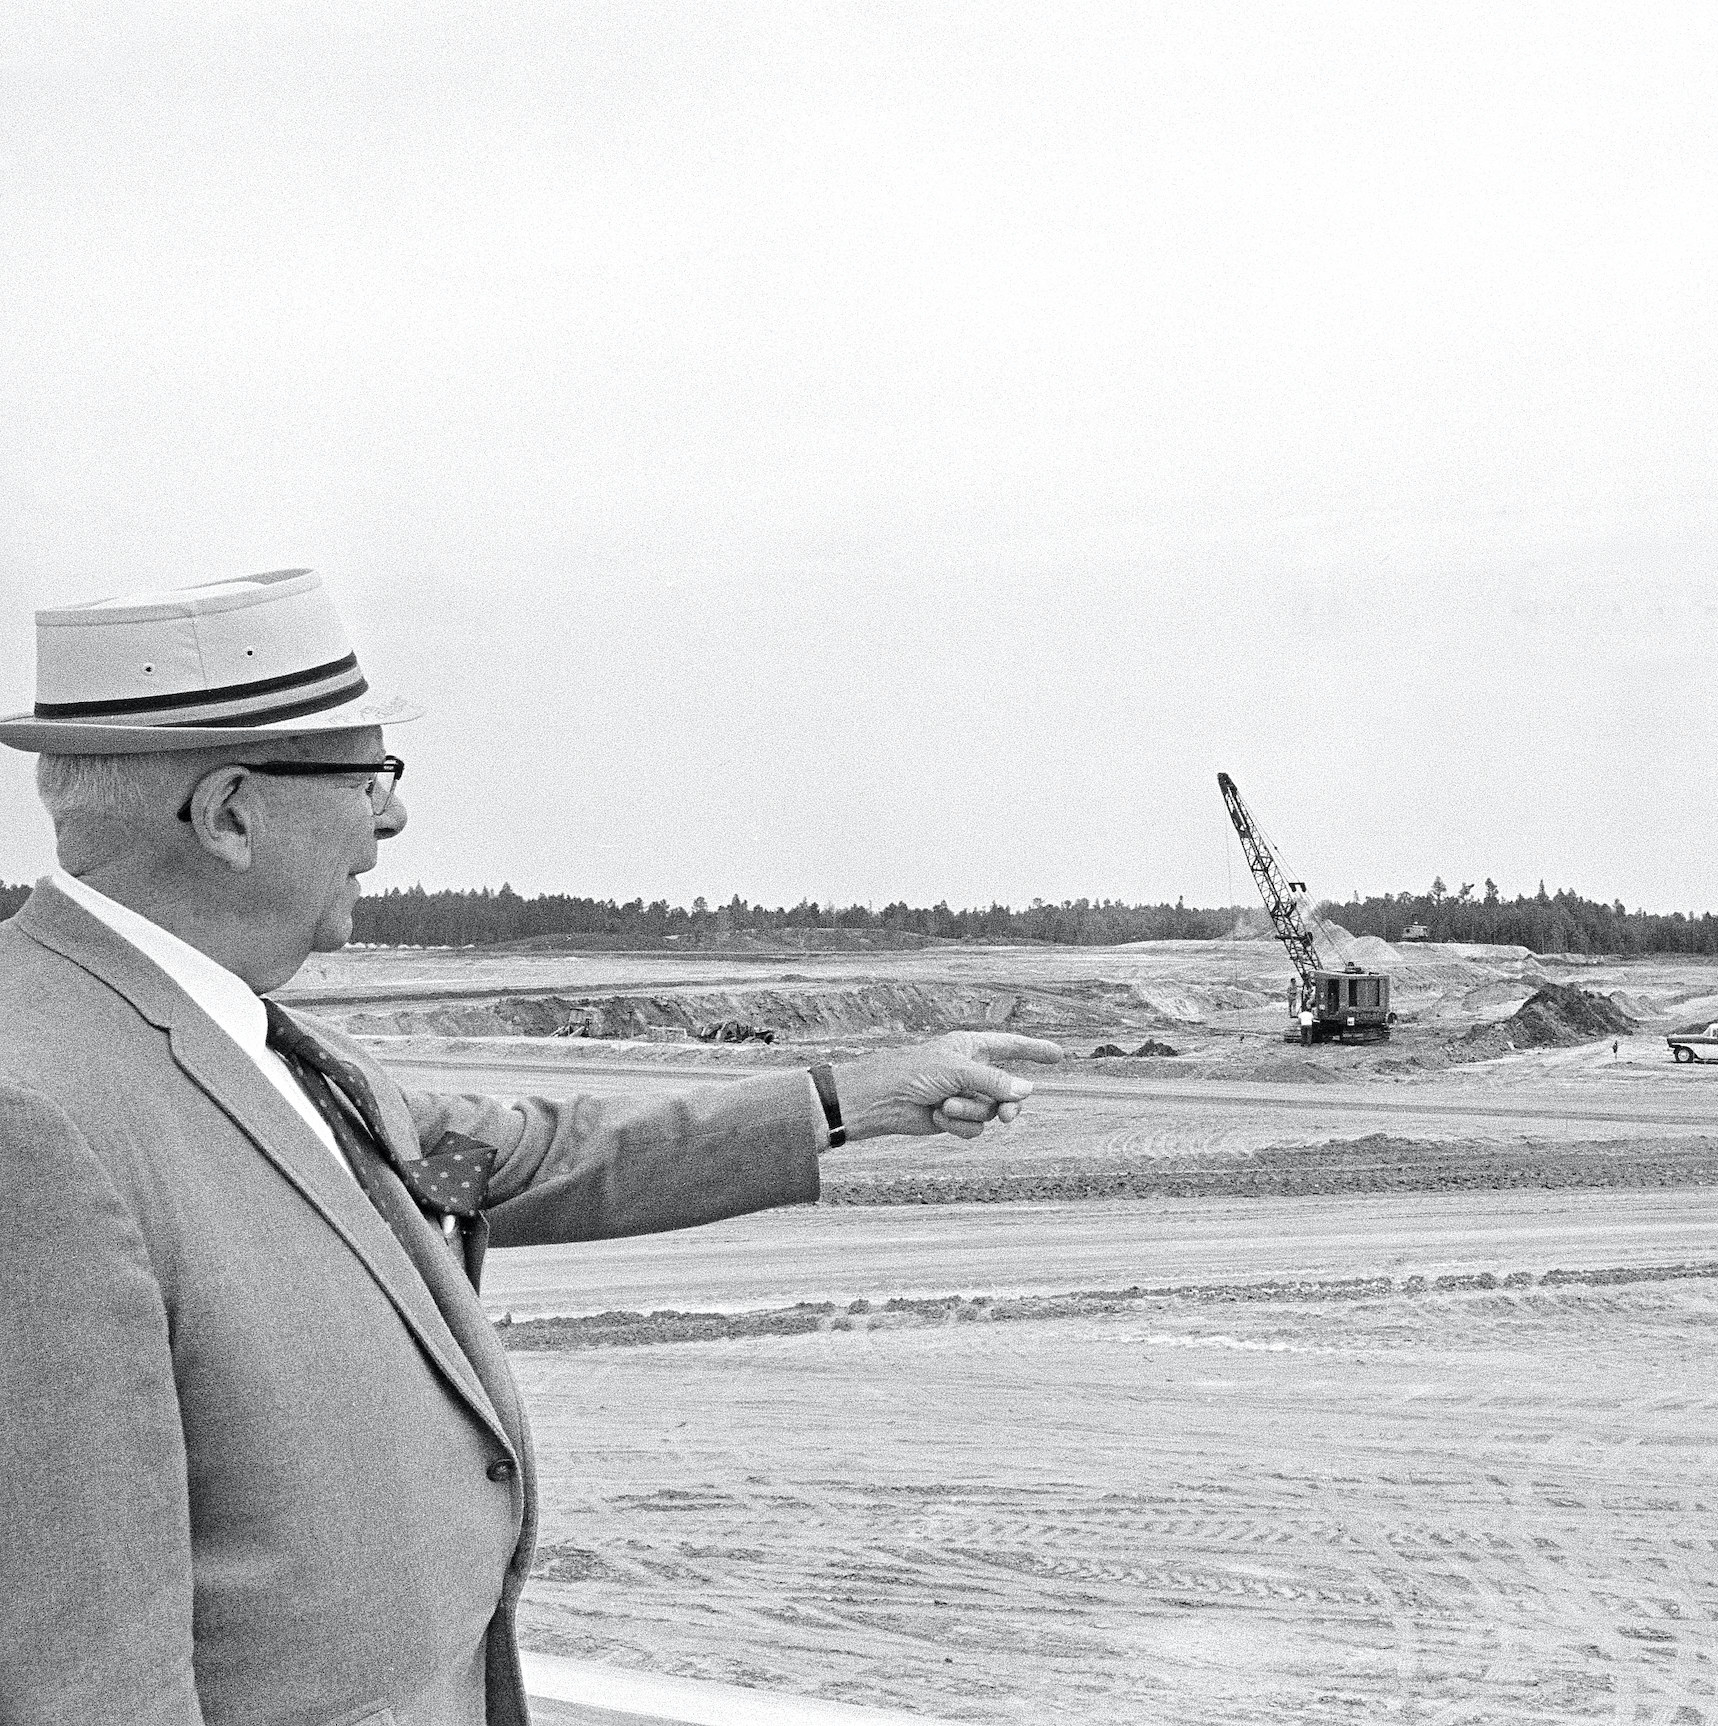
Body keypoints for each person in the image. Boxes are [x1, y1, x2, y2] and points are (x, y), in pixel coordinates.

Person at [0, 569, 1062, 1726]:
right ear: (232, 813)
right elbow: (83, 1661)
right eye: (369, 777)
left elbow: (499, 1165)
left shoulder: (249, 1039)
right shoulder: (40, 1116)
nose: (392, 818)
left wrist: (843, 1099)